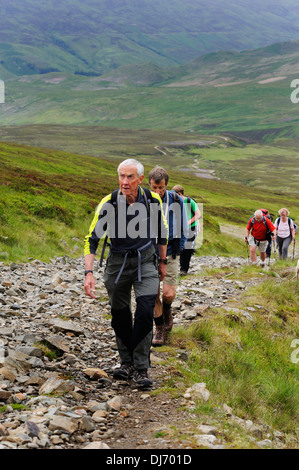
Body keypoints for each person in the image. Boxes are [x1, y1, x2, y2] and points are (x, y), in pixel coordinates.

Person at [84, 159, 168, 388]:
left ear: (141, 179)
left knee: (144, 310)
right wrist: (89, 272)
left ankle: (141, 368)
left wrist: (162, 262)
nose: (124, 181)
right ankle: (126, 363)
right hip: (117, 263)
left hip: (146, 261)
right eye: (121, 176)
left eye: (130, 177)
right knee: (120, 315)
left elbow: (162, 232)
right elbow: (92, 239)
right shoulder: (109, 202)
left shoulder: (152, 199)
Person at [148, 167, 188, 346]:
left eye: (161, 188)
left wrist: (178, 250)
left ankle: (167, 309)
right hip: (149, 251)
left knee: (168, 293)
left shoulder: (176, 200)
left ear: (166, 186)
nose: (157, 192)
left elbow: (184, 227)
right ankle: (159, 327)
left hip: (170, 250)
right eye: (154, 188)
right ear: (149, 184)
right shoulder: (143, 200)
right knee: (153, 292)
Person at [172, 184, 201, 275]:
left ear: (180, 194)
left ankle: (184, 270)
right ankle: (182, 267)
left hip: (192, 227)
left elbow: (198, 215)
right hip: (181, 229)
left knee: (187, 247)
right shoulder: (175, 203)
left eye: (176, 195)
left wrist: (188, 222)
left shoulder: (190, 201)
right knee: (181, 247)